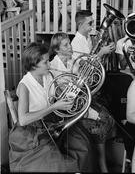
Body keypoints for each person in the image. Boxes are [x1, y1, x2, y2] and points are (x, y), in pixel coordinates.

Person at [9, 42, 96, 172]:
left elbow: (55, 98)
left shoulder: (48, 76)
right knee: (58, 165)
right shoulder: (24, 86)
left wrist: (71, 89)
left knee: (84, 146)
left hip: (51, 122)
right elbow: (23, 120)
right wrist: (54, 107)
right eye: (45, 62)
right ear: (33, 65)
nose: (49, 65)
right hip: (31, 133)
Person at [49, 32, 115, 173]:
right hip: (71, 107)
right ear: (56, 49)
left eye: (69, 43)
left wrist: (88, 75)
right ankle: (101, 163)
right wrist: (79, 82)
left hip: (82, 100)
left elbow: (87, 77)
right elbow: (67, 93)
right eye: (66, 45)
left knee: (108, 118)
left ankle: (101, 160)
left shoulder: (74, 59)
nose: (70, 47)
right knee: (101, 121)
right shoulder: (53, 65)